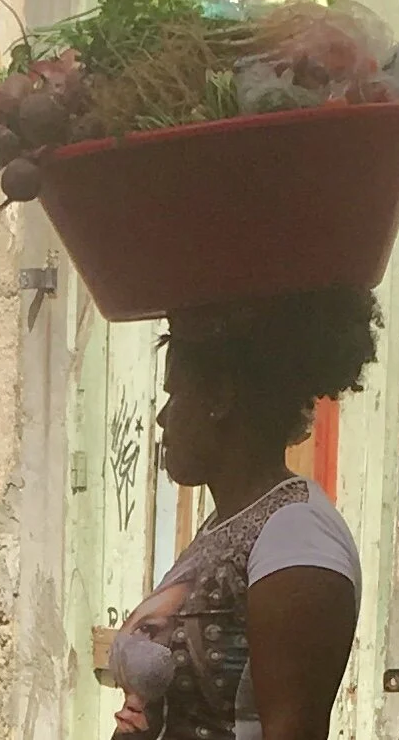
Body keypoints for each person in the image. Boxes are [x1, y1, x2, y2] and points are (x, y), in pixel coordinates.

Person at [109, 285, 380, 740]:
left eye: (175, 394)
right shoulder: (224, 526)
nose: (162, 419)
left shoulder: (297, 537)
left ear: (220, 398)